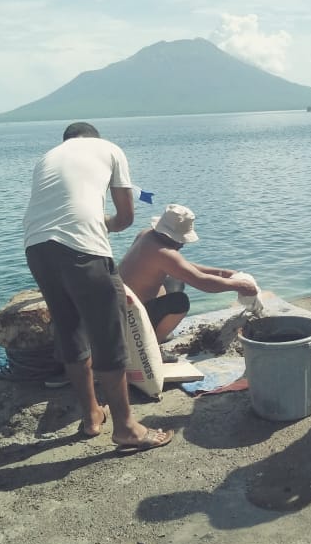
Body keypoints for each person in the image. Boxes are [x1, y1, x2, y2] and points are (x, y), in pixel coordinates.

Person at [23, 122, 172, 452]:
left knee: (69, 328)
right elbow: (125, 217)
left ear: (67, 141)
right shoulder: (109, 149)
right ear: (93, 138)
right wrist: (104, 222)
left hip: (36, 248)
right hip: (81, 249)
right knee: (107, 333)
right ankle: (126, 428)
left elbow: (58, 210)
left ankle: (92, 417)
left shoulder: (47, 158)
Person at [119, 203, 259, 342]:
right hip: (132, 318)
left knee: (176, 280)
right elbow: (203, 283)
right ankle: (152, 344)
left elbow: (182, 267)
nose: (183, 244)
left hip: (121, 309)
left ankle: (156, 330)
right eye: (181, 239)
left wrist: (221, 272)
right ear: (171, 236)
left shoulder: (146, 234)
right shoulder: (165, 254)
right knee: (181, 302)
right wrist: (239, 286)